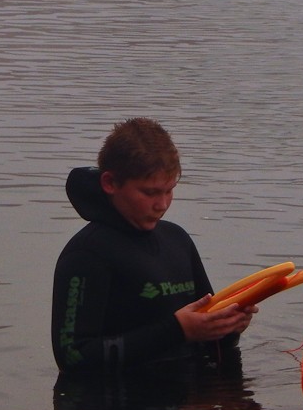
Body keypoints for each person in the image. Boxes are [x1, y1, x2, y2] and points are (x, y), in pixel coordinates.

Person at [51, 118, 257, 373]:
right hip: (121, 406)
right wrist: (178, 330)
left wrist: (228, 326)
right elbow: (73, 357)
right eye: (149, 193)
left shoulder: (177, 240)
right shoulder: (86, 254)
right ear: (110, 183)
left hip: (187, 400)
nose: (162, 204)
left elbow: (210, 342)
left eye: (169, 191)